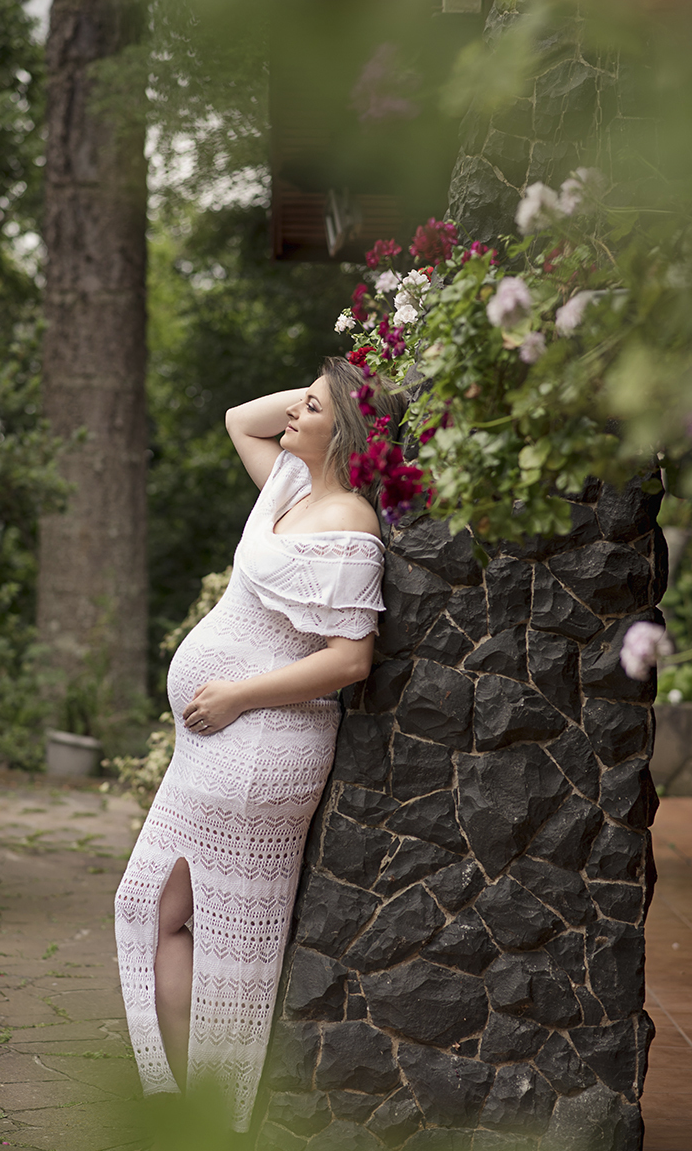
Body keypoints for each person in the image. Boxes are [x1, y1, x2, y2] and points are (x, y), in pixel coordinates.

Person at [115, 356, 405, 1132]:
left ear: (344, 433)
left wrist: (238, 695)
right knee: (147, 909)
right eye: (299, 403)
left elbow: (350, 661)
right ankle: (185, 1103)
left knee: (220, 940)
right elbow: (239, 418)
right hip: (214, 746)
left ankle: (202, 1115)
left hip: (260, 746)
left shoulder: (349, 522)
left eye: (310, 410)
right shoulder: (289, 486)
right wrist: (332, 382)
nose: (291, 416)